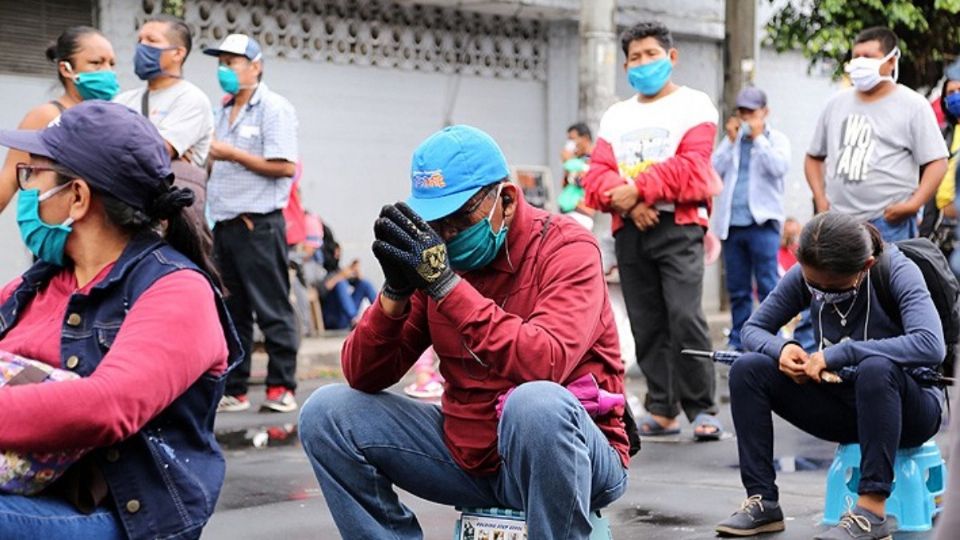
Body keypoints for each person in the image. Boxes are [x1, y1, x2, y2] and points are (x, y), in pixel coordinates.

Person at [298, 125, 629, 539]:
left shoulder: (567, 249)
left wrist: (447, 288)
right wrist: (395, 294)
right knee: (327, 413)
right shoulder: (437, 262)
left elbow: (543, 361)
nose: (448, 234)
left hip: (571, 454)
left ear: (505, 200)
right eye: (437, 223)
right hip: (471, 454)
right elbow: (364, 375)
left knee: (535, 404)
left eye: (459, 218)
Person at [0, 101, 240, 539]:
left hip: (116, 515)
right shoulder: (36, 283)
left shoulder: (177, 290)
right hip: (27, 487)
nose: (26, 191)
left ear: (77, 197)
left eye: (32, 175)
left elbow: (106, 406)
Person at [715, 212, 944, 539]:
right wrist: (782, 349)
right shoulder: (805, 274)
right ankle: (762, 500)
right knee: (748, 369)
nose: (822, 293)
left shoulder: (897, 271)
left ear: (865, 266)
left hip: (909, 411)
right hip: (846, 405)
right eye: (814, 286)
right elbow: (753, 329)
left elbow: (931, 344)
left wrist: (843, 353)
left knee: (875, 368)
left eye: (832, 287)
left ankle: (872, 511)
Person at [582, 21, 722, 440]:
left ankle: (702, 407)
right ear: (625, 66)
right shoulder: (616, 115)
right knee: (646, 321)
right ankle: (662, 407)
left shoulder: (695, 105)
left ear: (671, 57)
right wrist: (634, 201)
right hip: (630, 229)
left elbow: (695, 167)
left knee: (684, 315)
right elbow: (595, 177)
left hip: (679, 227)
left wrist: (639, 191)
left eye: (651, 55)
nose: (643, 64)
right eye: (635, 58)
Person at [203, 34, 300, 414]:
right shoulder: (221, 110)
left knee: (271, 307)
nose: (225, 70)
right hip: (224, 225)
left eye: (233, 62)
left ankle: (281, 386)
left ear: (255, 66)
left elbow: (285, 165)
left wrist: (231, 154)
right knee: (232, 309)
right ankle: (237, 387)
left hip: (258, 226)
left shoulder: (273, 108)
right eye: (221, 63)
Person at [805, 27, 948, 242]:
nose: (860, 62)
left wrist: (912, 205)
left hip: (888, 224)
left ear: (891, 61)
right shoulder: (835, 103)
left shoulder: (913, 105)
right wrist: (821, 200)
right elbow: (813, 157)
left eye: (869, 57)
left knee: (885, 276)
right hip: (837, 222)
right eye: (856, 57)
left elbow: (937, 162)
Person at [0, 27, 117, 214]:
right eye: (96, 63)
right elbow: (6, 184)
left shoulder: (112, 119)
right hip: (63, 233)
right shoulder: (47, 116)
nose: (108, 72)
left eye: (112, 64)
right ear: (66, 69)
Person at [712, 86, 791, 351]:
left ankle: (772, 338)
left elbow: (778, 167)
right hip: (733, 225)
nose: (746, 118)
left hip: (763, 224)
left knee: (769, 285)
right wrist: (731, 141)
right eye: (742, 112)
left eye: (751, 113)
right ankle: (739, 340)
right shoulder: (732, 142)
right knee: (738, 289)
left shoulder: (775, 139)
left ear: (764, 113)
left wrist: (758, 139)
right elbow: (713, 171)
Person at [558, 122, 596, 229]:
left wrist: (569, 161)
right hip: (568, 212)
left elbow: (583, 182)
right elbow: (564, 184)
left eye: (573, 139)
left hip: (581, 213)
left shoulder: (594, 158)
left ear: (585, 138)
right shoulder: (577, 159)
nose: (571, 144)